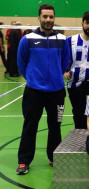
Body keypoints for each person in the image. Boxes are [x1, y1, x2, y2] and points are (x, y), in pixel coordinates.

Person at [16, 4, 70, 174]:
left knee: (55, 126)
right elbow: (21, 63)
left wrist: (55, 77)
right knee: (30, 125)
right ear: (38, 18)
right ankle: (24, 161)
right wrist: (32, 79)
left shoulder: (62, 40)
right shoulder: (27, 39)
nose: (48, 20)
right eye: (45, 17)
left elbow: (65, 62)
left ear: (54, 18)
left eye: (51, 17)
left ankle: (54, 157)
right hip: (34, 92)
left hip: (57, 92)